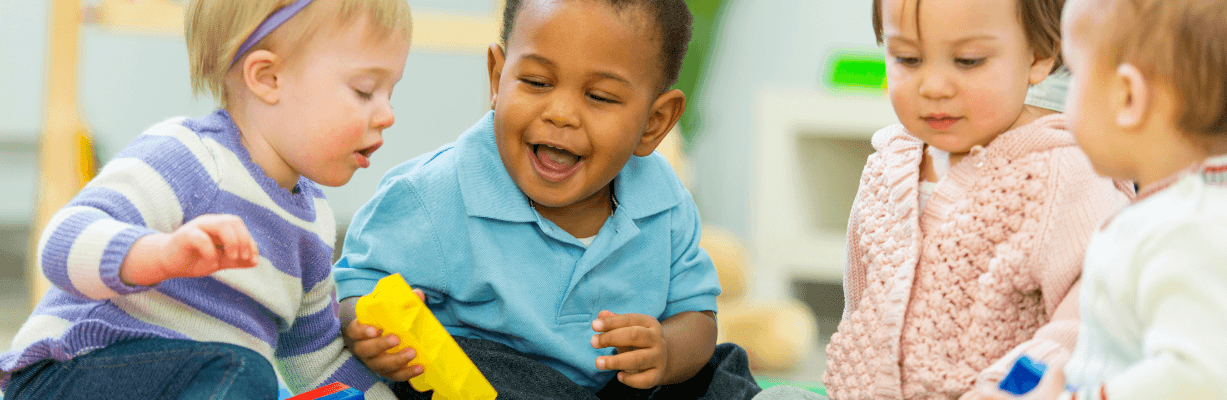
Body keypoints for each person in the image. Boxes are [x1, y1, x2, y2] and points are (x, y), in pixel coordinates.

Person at [332, 0, 760, 399]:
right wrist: (366, 331)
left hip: (619, 383)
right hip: (494, 383)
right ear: (498, 78)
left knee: (721, 366)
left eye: (599, 97)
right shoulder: (434, 192)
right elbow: (355, 286)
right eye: (536, 82)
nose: (560, 113)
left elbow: (698, 318)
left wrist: (664, 350)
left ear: (654, 122)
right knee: (476, 361)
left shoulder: (663, 201)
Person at [0, 0, 412, 398]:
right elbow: (61, 243)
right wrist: (158, 255)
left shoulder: (314, 225)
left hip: (204, 377)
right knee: (244, 372)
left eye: (391, 93)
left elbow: (318, 362)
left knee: (246, 373)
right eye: (364, 91)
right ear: (268, 78)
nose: (388, 115)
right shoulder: (189, 157)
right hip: (68, 372)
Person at [820, 0, 1136, 398]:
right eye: (908, 59)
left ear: (1039, 57)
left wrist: (1008, 389)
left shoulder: (1062, 175)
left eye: (968, 61)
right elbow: (861, 308)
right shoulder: (887, 165)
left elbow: (1086, 325)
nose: (933, 87)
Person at [985, 0, 1227, 398]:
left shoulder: (1187, 232)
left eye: (1075, 75)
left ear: (1127, 97)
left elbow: (1198, 379)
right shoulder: (1180, 211)